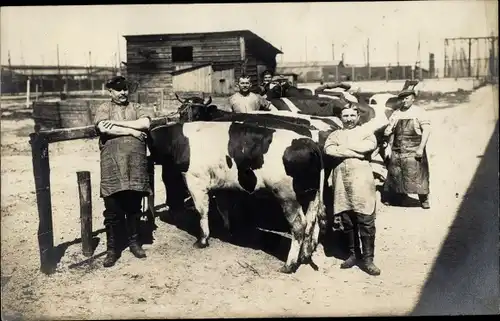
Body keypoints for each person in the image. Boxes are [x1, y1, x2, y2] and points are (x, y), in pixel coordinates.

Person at [94, 76, 155, 267]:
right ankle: (112, 249)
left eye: (125, 90)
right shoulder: (104, 108)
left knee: (133, 207)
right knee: (112, 208)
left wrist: (120, 126)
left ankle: (134, 243)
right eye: (118, 90)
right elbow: (103, 127)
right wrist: (131, 131)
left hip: (135, 165)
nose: (122, 93)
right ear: (110, 91)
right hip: (112, 165)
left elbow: (144, 124)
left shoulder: (137, 107)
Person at [324, 103, 381, 276]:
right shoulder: (335, 134)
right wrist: (354, 153)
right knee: (347, 219)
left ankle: (368, 260)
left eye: (352, 116)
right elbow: (328, 149)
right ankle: (353, 254)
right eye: (345, 116)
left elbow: (369, 147)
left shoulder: (365, 133)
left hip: (362, 180)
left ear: (357, 117)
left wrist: (342, 149)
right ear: (340, 118)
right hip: (341, 180)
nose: (349, 119)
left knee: (366, 218)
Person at [382, 85, 431, 209]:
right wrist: (387, 131)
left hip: (414, 148)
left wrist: (420, 148)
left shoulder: (419, 111)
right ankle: (397, 197)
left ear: (413, 98)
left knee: (419, 175)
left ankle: (424, 199)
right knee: (396, 174)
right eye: (402, 99)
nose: (404, 101)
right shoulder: (396, 113)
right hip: (398, 148)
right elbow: (390, 127)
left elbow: (426, 130)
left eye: (407, 98)